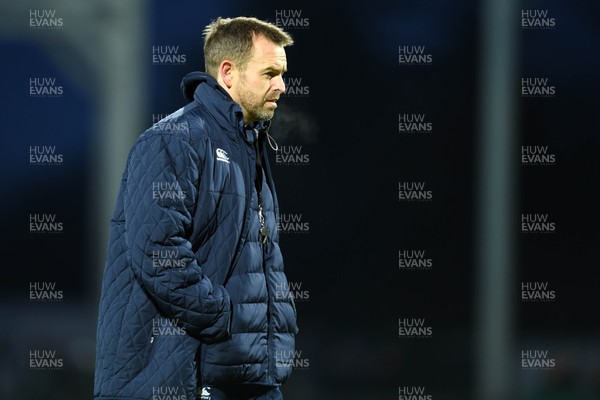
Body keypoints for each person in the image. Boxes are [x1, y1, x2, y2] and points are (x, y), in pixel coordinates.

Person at [94, 16, 298, 400]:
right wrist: (222, 315)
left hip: (248, 379)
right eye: (270, 72)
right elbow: (157, 251)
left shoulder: (250, 147)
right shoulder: (174, 140)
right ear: (228, 73)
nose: (282, 86)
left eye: (283, 73)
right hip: (181, 381)